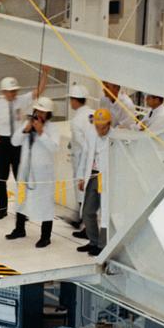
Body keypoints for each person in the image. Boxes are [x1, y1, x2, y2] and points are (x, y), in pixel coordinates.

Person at [0, 68, 49, 220]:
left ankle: (22, 210)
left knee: (21, 178)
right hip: (3, 142)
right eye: (9, 91)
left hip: (18, 143)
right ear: (3, 91)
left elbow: (38, 91)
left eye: (14, 91)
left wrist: (44, 74)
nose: (12, 94)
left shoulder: (22, 100)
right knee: (1, 178)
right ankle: (2, 208)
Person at [6, 96, 57, 248]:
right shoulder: (27, 124)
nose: (39, 114)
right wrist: (25, 130)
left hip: (43, 174)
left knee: (45, 204)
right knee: (21, 199)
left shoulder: (52, 128)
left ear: (48, 114)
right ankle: (19, 228)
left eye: (43, 112)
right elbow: (14, 142)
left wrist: (41, 133)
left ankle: (45, 236)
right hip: (25, 171)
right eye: (37, 111)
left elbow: (54, 148)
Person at [77, 106, 111, 257]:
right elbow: (85, 155)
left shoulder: (115, 138)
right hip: (92, 175)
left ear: (109, 125)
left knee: (105, 214)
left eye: (103, 127)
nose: (100, 130)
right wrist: (81, 176)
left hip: (108, 178)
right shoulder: (91, 133)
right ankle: (93, 241)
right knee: (88, 211)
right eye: (98, 126)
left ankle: (102, 245)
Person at [68, 84, 93, 234]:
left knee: (83, 194)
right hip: (95, 161)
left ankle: (86, 228)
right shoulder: (93, 113)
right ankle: (79, 219)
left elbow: (84, 146)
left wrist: (83, 170)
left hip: (82, 162)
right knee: (90, 195)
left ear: (75, 101)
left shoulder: (76, 121)